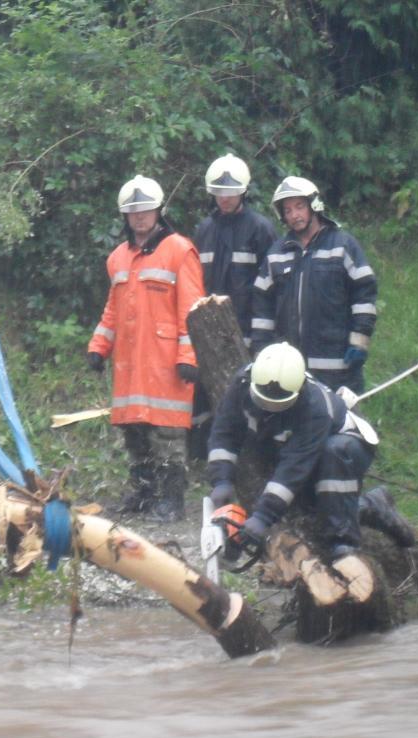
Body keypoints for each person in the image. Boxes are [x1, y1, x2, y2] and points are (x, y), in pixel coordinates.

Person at [87, 175, 206, 522]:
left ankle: (171, 500)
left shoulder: (179, 251)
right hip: (130, 363)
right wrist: (99, 346)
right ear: (125, 215)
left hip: (165, 363)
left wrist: (188, 356)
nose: (140, 216)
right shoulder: (118, 258)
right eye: (133, 211)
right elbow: (112, 310)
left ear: (158, 211)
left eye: (146, 210)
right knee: (134, 431)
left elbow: (193, 310)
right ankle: (143, 494)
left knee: (167, 434)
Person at [206, 342, 380, 559]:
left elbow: (293, 468)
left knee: (333, 453)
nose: (268, 407)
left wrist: (263, 517)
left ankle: (342, 544)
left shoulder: (315, 409)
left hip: (347, 447)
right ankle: (373, 506)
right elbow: (225, 431)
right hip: (301, 451)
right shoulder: (241, 384)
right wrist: (221, 479)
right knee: (313, 509)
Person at [251, 176, 378, 393]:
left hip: (338, 365)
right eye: (288, 210)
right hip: (290, 368)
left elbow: (364, 293)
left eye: (299, 206)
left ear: (314, 206)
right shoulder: (276, 254)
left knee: (342, 415)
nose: (294, 215)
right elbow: (262, 307)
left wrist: (359, 341)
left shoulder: (342, 245)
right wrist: (262, 351)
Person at [189, 154, 279, 458]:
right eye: (219, 192)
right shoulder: (204, 230)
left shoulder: (260, 229)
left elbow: (270, 288)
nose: (225, 198)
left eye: (231, 192)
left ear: (244, 191)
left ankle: (248, 458)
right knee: (205, 391)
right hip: (207, 330)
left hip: (247, 330)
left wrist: (261, 336)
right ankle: (203, 453)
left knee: (245, 394)